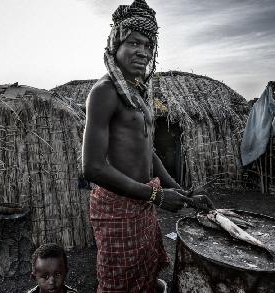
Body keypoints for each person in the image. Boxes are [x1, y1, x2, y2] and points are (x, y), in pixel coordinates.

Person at [82, 0, 202, 291]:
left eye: (149, 45)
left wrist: (181, 190)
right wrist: (157, 197)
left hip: (143, 199)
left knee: (145, 273)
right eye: (134, 42)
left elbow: (147, 150)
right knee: (118, 282)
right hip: (116, 206)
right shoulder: (105, 92)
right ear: (116, 44)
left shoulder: (137, 93)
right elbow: (93, 167)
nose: (143, 52)